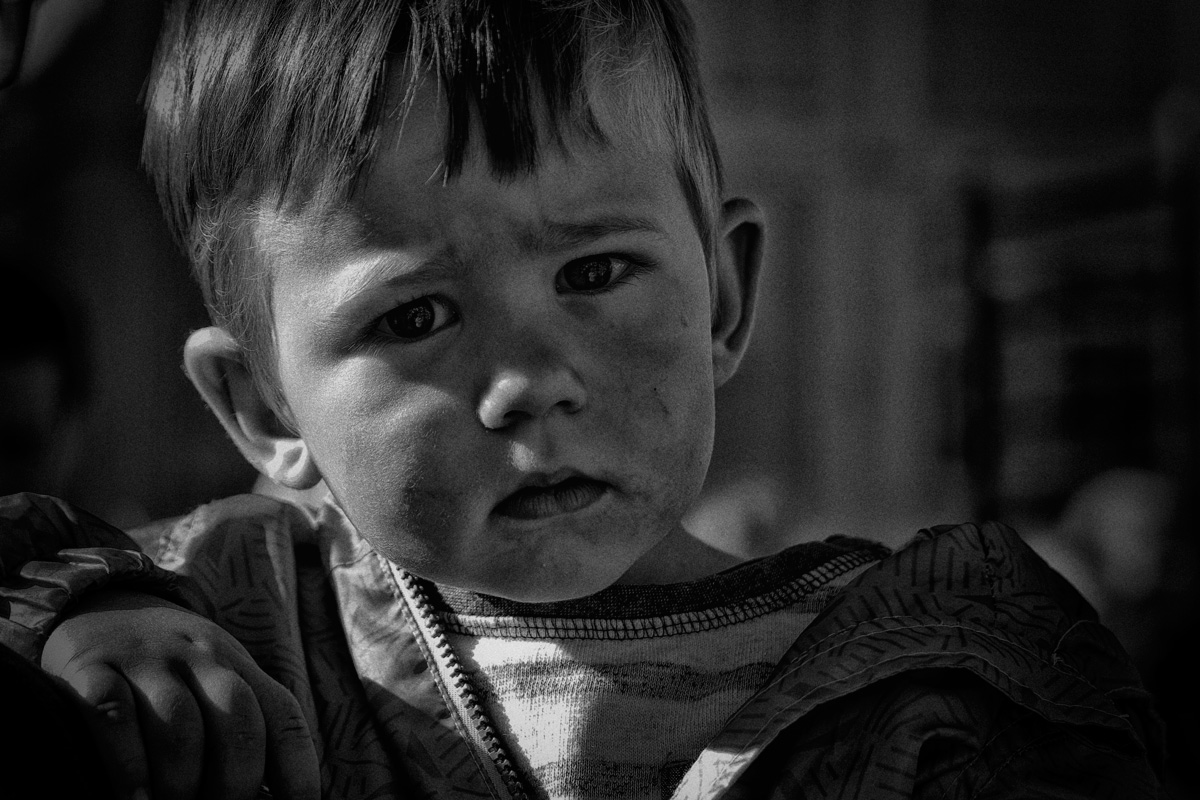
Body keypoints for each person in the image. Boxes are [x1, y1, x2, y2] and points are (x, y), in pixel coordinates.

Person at [0, 1, 1166, 798]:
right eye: (413, 317)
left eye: (595, 272)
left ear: (723, 297)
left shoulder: (948, 676)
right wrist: (78, 612)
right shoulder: (245, 624)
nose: (530, 382)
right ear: (263, 407)